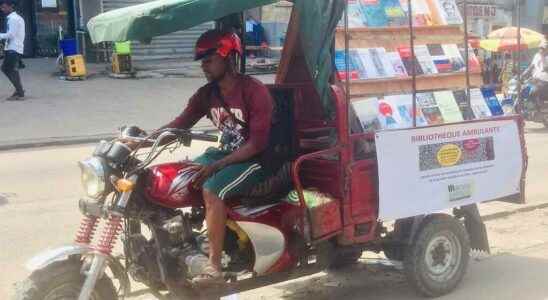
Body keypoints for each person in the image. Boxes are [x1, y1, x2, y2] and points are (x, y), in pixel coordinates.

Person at [127, 30, 273, 285]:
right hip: (225, 154)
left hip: (256, 160)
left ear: (227, 57)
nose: (203, 67)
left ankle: (214, 266)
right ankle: (188, 241)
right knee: (177, 178)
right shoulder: (208, 94)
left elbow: (258, 143)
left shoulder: (253, 90)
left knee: (212, 191)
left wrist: (217, 166)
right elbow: (179, 125)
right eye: (202, 61)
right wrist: (141, 142)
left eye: (209, 60)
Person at [0, 0, 25, 101]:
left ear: (11, 7)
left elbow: (11, 34)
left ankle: (19, 92)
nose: (2, 9)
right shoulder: (15, 18)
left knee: (6, 68)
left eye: (4, 7)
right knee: (11, 69)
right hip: (13, 47)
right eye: (2, 7)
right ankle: (19, 90)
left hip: (13, 48)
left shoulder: (13, 19)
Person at [521, 41, 548, 106]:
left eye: (543, 48)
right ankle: (531, 107)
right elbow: (531, 66)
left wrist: (542, 57)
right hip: (534, 79)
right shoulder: (536, 56)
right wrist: (522, 74)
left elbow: (545, 68)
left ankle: (538, 108)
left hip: (544, 81)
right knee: (523, 89)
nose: (541, 50)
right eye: (540, 48)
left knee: (533, 92)